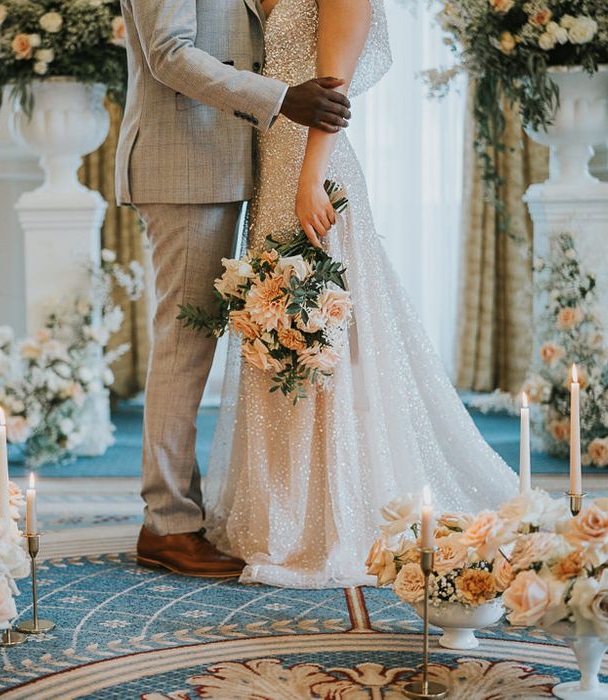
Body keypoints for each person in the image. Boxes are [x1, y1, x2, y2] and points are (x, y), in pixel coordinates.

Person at [204, 0, 518, 588]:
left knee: (323, 337)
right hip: (272, 173)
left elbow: (333, 89)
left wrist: (309, 176)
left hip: (313, 175)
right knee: (275, 333)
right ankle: (287, 511)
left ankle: (335, 512)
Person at [115, 0, 352, 577]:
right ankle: (166, 524)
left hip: (232, 162)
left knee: (198, 342)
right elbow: (169, 54)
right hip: (185, 166)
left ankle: (182, 511)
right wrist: (280, 99)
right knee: (183, 345)